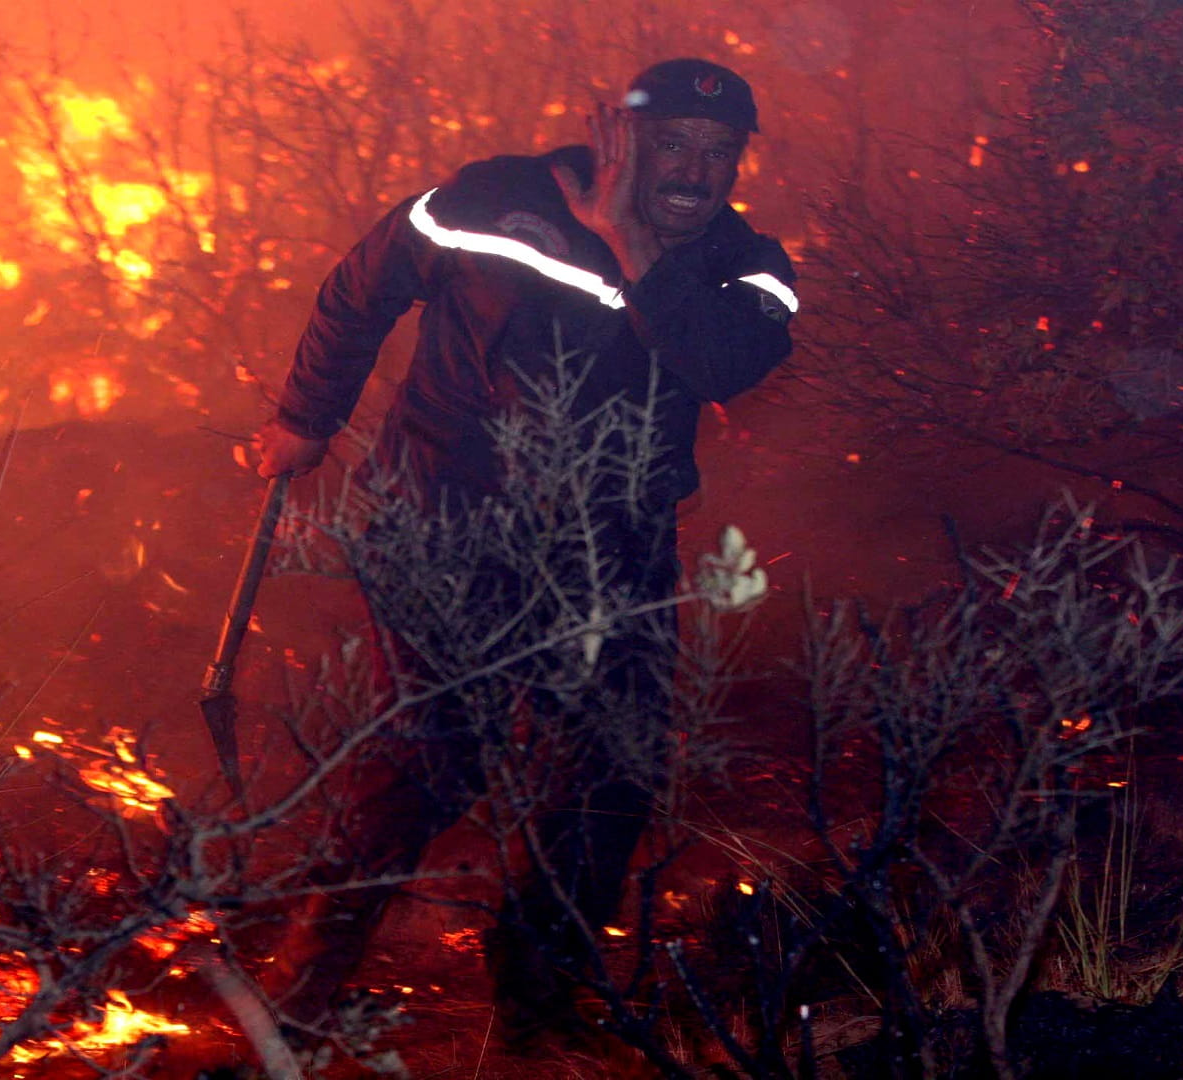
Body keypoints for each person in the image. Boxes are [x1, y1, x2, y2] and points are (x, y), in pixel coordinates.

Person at [252, 58, 798, 1042]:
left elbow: (724, 361)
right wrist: (305, 419)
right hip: (443, 523)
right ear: (616, 138)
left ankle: (535, 1004)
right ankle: (294, 996)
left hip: (612, 548)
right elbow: (358, 290)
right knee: (432, 760)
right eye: (672, 142)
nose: (696, 170)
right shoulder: (487, 199)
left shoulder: (748, 267)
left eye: (720, 152)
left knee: (614, 768)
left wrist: (634, 249)